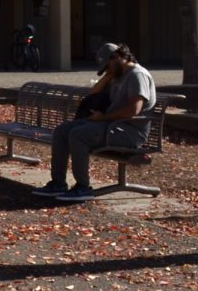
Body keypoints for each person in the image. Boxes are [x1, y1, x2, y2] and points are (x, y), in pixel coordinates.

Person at [32, 43, 157, 202]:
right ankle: (58, 183)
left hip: (129, 132)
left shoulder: (137, 75)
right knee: (61, 131)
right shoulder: (119, 75)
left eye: (108, 66)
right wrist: (108, 76)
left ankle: (83, 187)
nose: (108, 70)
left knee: (79, 135)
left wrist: (103, 117)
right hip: (112, 125)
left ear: (118, 57)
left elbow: (133, 110)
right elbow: (93, 94)